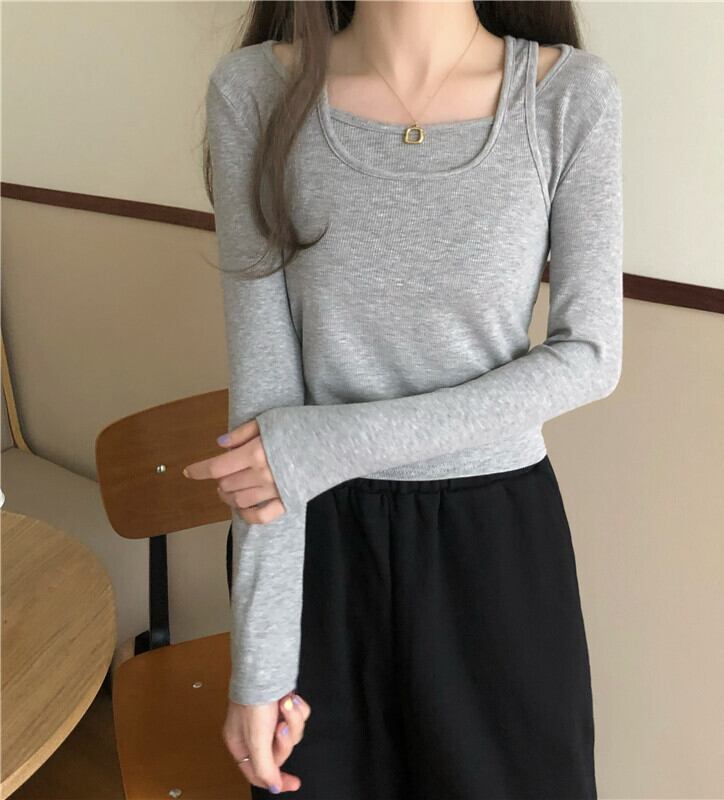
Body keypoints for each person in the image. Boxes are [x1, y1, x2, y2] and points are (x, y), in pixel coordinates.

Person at [186, 1, 623, 797]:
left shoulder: (568, 94)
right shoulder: (253, 91)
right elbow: (265, 420)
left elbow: (589, 357)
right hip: (317, 551)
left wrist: (327, 444)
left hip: (495, 551)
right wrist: (260, 665)